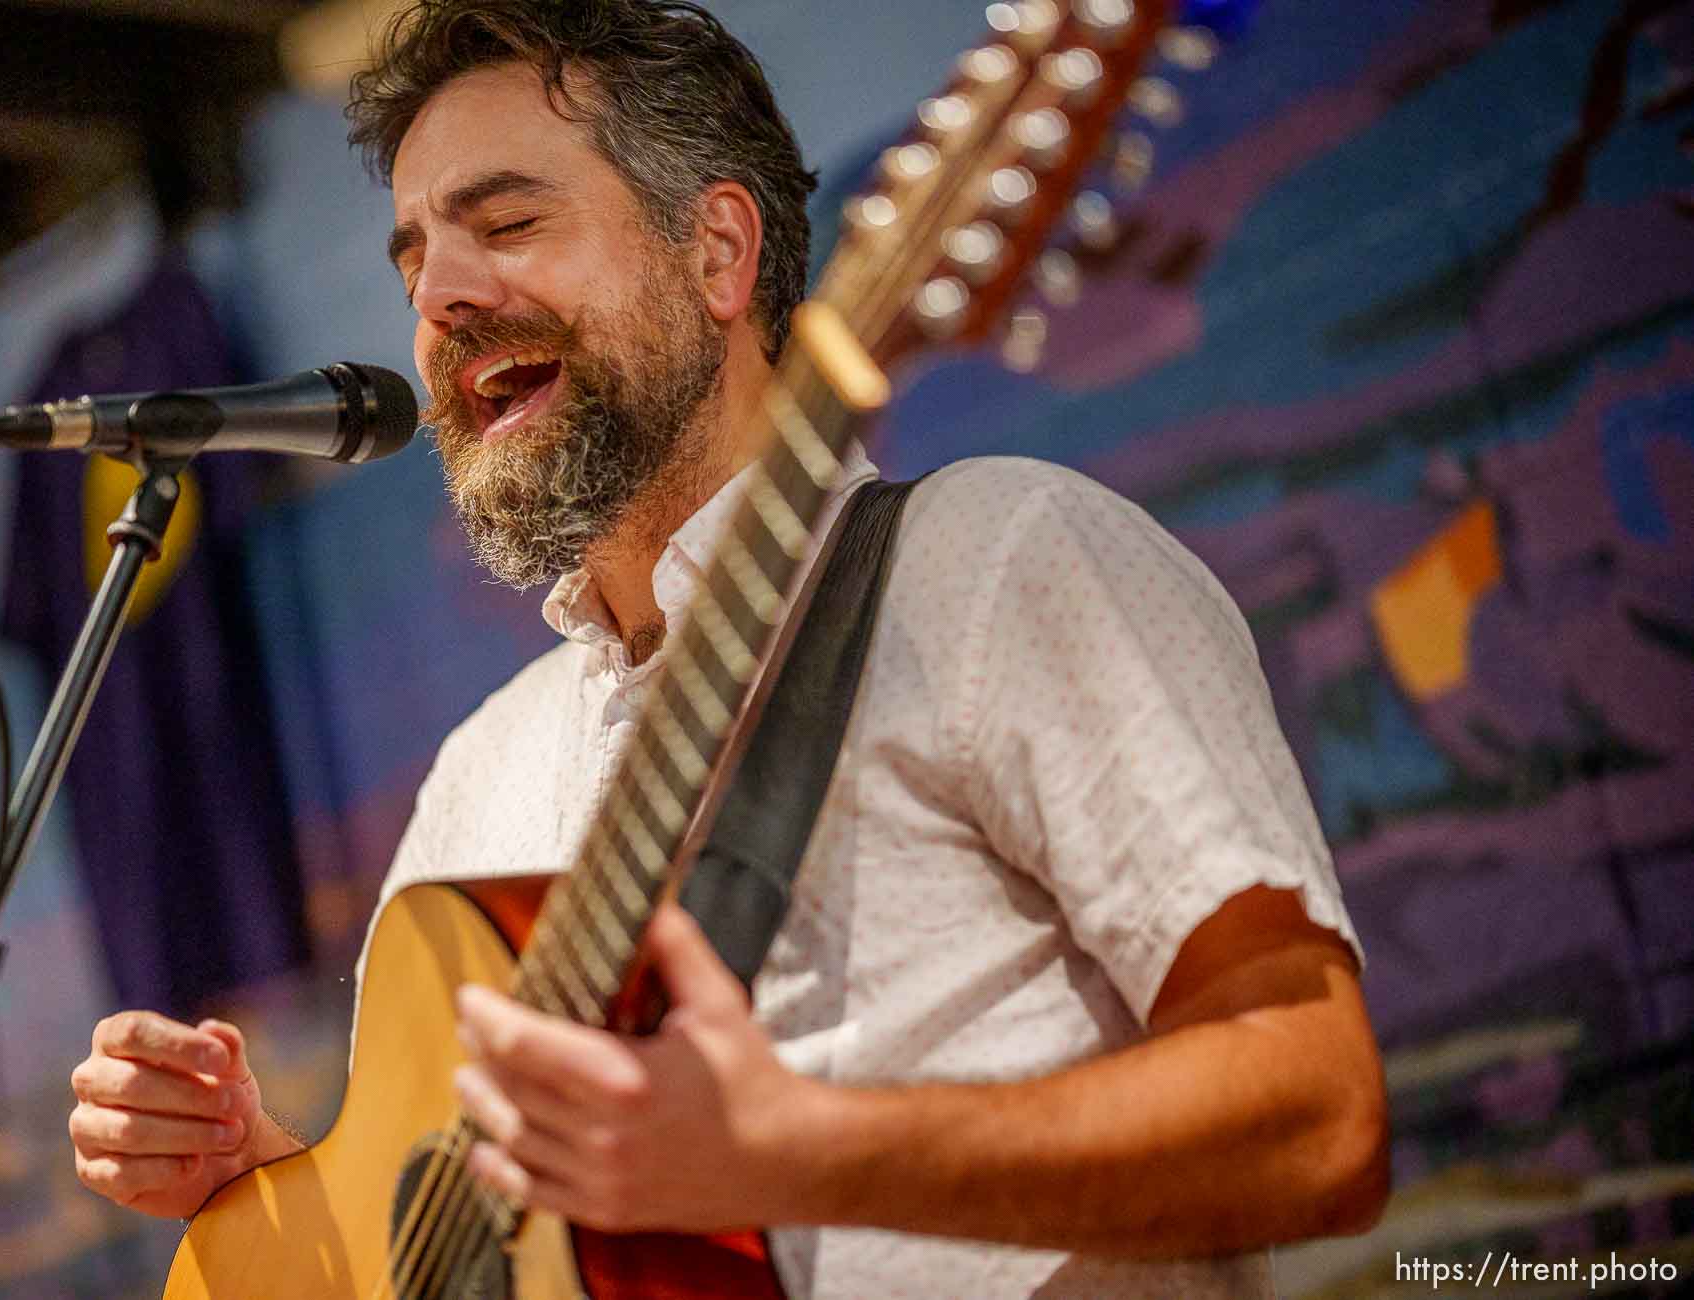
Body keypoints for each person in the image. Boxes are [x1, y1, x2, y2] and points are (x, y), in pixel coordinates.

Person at [67, 2, 1390, 1295]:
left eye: (508, 224)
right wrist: (278, 1191)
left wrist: (810, 1156)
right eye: (416, 262)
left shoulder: (1002, 560)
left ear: (718, 253)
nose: (442, 301)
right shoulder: (484, 770)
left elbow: (1320, 1117)